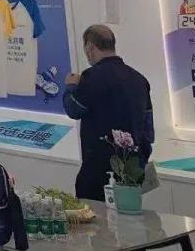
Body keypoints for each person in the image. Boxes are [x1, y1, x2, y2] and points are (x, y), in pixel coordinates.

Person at [63, 25, 153, 200]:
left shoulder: (92, 77)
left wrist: (71, 87)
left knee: (94, 215)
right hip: (132, 168)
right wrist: (141, 159)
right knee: (128, 213)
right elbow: (148, 129)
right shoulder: (139, 80)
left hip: (98, 169)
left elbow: (74, 109)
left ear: (90, 47)